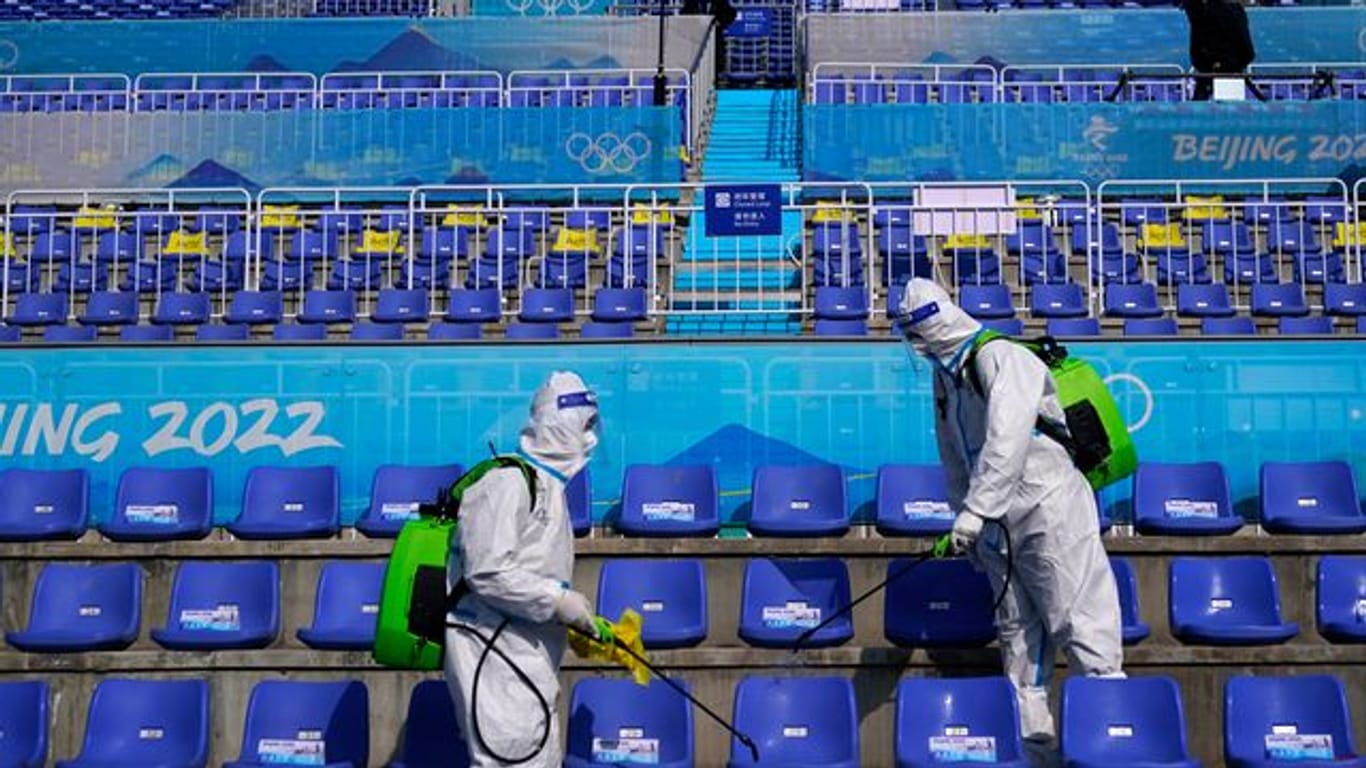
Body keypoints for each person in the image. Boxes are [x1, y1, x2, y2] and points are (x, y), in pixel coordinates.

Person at [896, 278, 1124, 765]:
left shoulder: (1003, 358)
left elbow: (1007, 441)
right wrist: (967, 519)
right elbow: (955, 454)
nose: (917, 345)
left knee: (1081, 625)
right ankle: (1034, 752)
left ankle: (1111, 744)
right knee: (1019, 642)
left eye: (920, 331)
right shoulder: (946, 379)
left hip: (1050, 509)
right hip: (1000, 527)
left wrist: (977, 511)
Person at [443, 370, 609, 768]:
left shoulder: (549, 489)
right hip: (491, 650)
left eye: (592, 425)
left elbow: (532, 571)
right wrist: (558, 602)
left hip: (527, 653)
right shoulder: (507, 481)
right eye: (583, 424)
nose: (589, 437)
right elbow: (488, 572)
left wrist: (573, 621)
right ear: (557, 424)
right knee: (510, 759)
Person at [1183, 0, 1255, 101]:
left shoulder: (1201, 15)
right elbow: (1246, 48)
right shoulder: (1235, 11)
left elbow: (1196, 49)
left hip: (1211, 73)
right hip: (1231, 72)